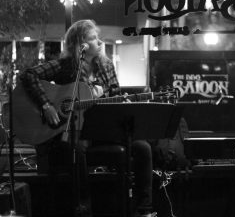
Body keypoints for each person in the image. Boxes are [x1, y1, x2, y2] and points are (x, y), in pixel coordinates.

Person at [19, 20, 155, 217]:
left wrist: (115, 98)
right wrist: (46, 105)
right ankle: (84, 207)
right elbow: (28, 75)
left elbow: (115, 95)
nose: (99, 42)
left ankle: (145, 210)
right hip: (74, 129)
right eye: (93, 38)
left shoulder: (107, 66)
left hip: (102, 128)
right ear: (80, 44)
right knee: (77, 148)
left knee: (143, 147)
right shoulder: (65, 66)